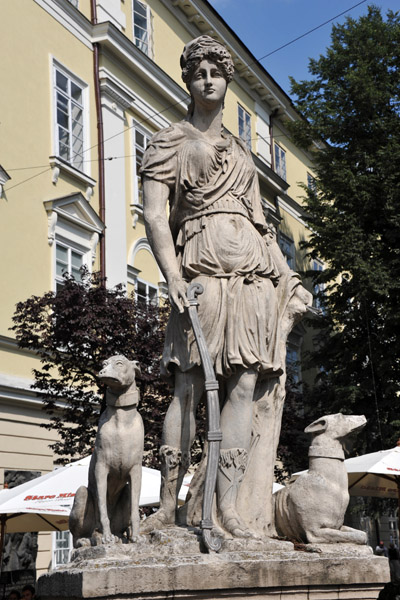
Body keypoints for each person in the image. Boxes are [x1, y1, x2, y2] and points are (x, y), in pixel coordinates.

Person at [141, 35, 311, 538]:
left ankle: (227, 506)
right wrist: (171, 274)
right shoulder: (169, 141)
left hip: (253, 275)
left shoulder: (241, 152)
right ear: (188, 81)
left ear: (227, 80)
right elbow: (153, 215)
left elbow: (263, 225)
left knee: (241, 386)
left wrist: (290, 277)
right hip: (201, 268)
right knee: (189, 384)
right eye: (198, 72)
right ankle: (170, 506)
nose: (208, 78)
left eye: (216, 70)